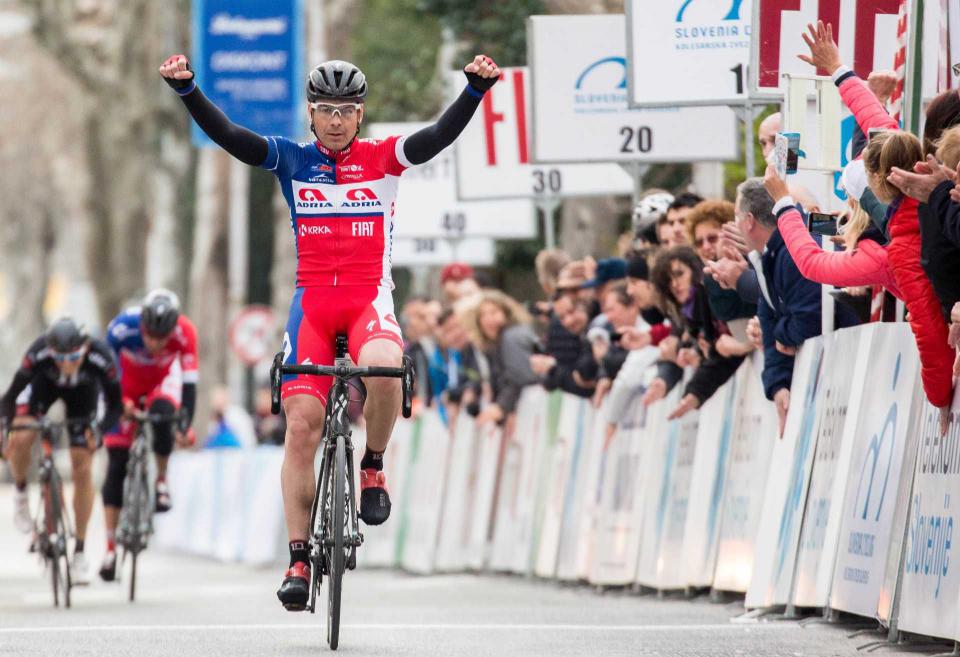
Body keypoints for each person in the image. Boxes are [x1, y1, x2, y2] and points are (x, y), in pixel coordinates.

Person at [160, 50, 500, 609]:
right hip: (313, 305)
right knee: (302, 425)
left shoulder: (384, 159)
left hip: (369, 298)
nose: (336, 119)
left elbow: (437, 137)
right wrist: (187, 91)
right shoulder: (291, 159)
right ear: (311, 115)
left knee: (388, 366)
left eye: (347, 110)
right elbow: (230, 136)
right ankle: (297, 557)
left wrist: (473, 92)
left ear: (360, 115)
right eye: (325, 109)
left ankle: (371, 465)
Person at [1, 318, 122, 585]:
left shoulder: (101, 357)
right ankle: (22, 493)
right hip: (43, 390)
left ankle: (79, 550)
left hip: (84, 397)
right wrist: (5, 429)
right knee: (21, 436)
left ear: (85, 348)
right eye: (60, 358)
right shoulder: (39, 352)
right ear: (51, 352)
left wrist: (99, 430)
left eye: (74, 357)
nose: (67, 364)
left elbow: (116, 406)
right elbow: (9, 397)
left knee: (83, 465)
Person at [734, 178, 858, 435]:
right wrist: (778, 384)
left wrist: (782, 333)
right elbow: (768, 317)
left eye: (735, 216)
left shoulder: (799, 244)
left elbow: (810, 314)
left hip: (849, 368)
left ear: (748, 220)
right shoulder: (765, 256)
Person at [99, 289, 199, 581]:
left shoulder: (185, 333)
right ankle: (109, 547)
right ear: (141, 325)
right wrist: (120, 405)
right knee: (116, 463)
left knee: (163, 416)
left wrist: (184, 424)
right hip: (123, 388)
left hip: (160, 384)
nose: (155, 344)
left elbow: (190, 385)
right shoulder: (121, 328)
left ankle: (161, 480)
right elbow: (104, 373)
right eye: (149, 336)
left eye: (162, 338)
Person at [463, 290, 540, 427]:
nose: (488, 319)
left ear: (506, 313)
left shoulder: (512, 337)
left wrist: (501, 407)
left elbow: (518, 377)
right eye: (483, 315)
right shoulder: (496, 345)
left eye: (493, 312)